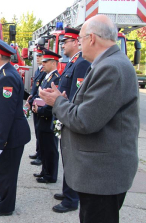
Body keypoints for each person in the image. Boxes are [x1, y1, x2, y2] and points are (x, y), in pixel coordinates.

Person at [39, 15, 139, 223]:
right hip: (99, 175)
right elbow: (93, 110)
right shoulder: (109, 63)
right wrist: (66, 103)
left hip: (102, 177)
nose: (79, 44)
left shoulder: (111, 67)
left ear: (92, 38)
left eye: (81, 39)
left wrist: (58, 103)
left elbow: (85, 121)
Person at [0, 36, 31, 216]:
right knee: (3, 171)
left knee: (7, 173)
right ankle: (4, 196)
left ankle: (5, 207)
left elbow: (4, 114)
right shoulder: (2, 74)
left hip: (10, 136)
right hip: (7, 135)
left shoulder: (6, 78)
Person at [52, 27, 91, 214]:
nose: (62, 45)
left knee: (72, 159)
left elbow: (77, 95)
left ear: (76, 42)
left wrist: (67, 113)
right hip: (65, 113)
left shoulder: (81, 63)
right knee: (67, 158)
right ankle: (68, 191)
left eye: (65, 42)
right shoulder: (72, 62)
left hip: (70, 115)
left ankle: (71, 199)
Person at [32, 49, 61, 184]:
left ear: (53, 63)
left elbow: (54, 102)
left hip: (49, 118)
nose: (42, 64)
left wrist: (41, 110)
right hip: (41, 117)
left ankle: (51, 175)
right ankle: (45, 171)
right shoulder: (47, 76)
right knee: (44, 146)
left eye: (45, 62)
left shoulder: (56, 79)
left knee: (50, 148)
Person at [27, 46, 47, 167]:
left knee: (41, 130)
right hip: (35, 102)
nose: (38, 58)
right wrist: (31, 97)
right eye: (37, 56)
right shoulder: (38, 70)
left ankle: (41, 155)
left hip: (39, 104)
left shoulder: (44, 71)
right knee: (37, 129)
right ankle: (38, 151)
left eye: (40, 56)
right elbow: (35, 87)